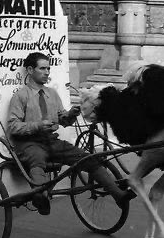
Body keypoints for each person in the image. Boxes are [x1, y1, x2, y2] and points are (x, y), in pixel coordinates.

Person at [7, 52, 135, 215]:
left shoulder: (52, 94)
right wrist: (38, 125)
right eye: (42, 69)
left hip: (51, 141)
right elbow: (13, 126)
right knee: (36, 158)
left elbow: (63, 119)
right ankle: (40, 197)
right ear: (31, 70)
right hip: (28, 143)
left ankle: (119, 195)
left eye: (48, 69)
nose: (47, 72)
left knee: (88, 159)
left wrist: (71, 115)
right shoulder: (21, 96)